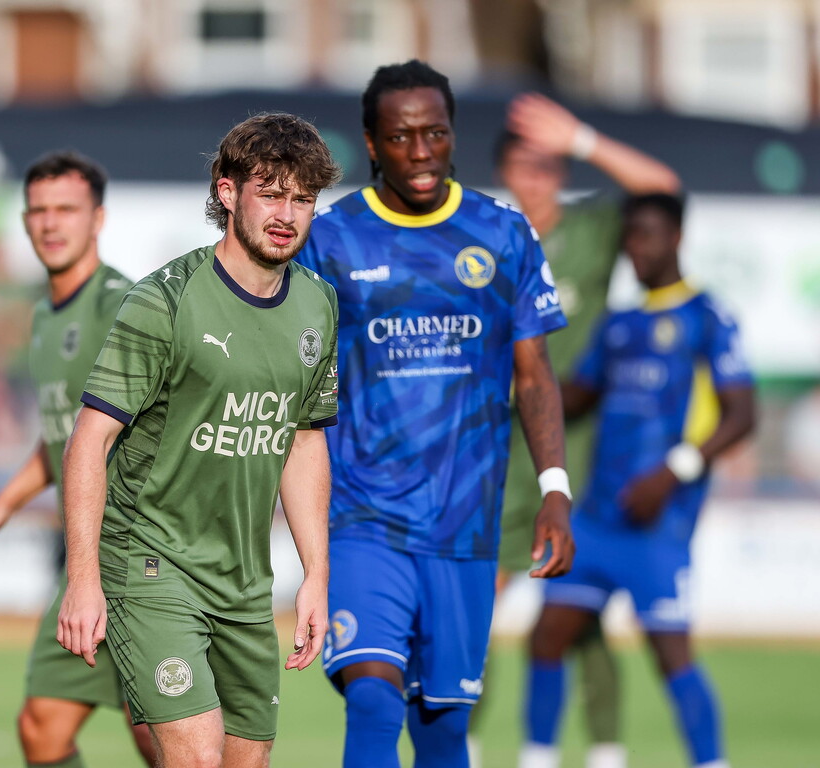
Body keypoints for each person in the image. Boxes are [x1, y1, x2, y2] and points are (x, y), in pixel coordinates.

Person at [297, 60, 574, 768]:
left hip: (464, 526)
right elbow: (295, 380)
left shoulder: (504, 233)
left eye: (435, 133)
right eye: (400, 136)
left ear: (453, 133)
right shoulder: (331, 240)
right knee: (373, 699)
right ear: (370, 143)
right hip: (363, 519)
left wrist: (554, 491)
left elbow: (535, 374)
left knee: (443, 728)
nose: (420, 152)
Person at [56, 113, 342, 768]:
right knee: (198, 760)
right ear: (227, 191)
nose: (286, 213)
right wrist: (82, 580)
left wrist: (317, 575)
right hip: (150, 566)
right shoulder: (163, 302)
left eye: (302, 199)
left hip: (244, 582)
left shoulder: (319, 306)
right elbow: (89, 442)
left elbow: (303, 443)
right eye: (270, 191)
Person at [519, 193, 756, 768]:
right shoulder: (620, 323)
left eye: (648, 235)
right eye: (630, 236)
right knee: (547, 635)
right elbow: (577, 396)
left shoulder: (706, 317)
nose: (635, 247)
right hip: (599, 517)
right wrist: (515, 384)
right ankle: (538, 757)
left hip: (660, 523)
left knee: (670, 653)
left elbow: (742, 415)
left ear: (676, 238)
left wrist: (675, 471)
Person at [485, 93, 682, 768]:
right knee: (476, 606)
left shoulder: (593, 228)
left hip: (583, 445)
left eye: (551, 162)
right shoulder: (486, 236)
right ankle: (467, 744)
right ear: (506, 169)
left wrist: (585, 138)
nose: (540, 175)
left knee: (585, 608)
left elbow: (664, 191)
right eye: (527, 163)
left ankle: (604, 749)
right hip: (497, 449)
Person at [0, 151, 156, 768]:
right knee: (42, 726)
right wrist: (3, 504)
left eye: (66, 210)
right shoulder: (44, 315)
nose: (51, 224)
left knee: (161, 736)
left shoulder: (122, 307)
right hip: (85, 562)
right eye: (39, 211)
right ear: (23, 221)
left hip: (138, 555)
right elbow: (64, 438)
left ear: (97, 218)